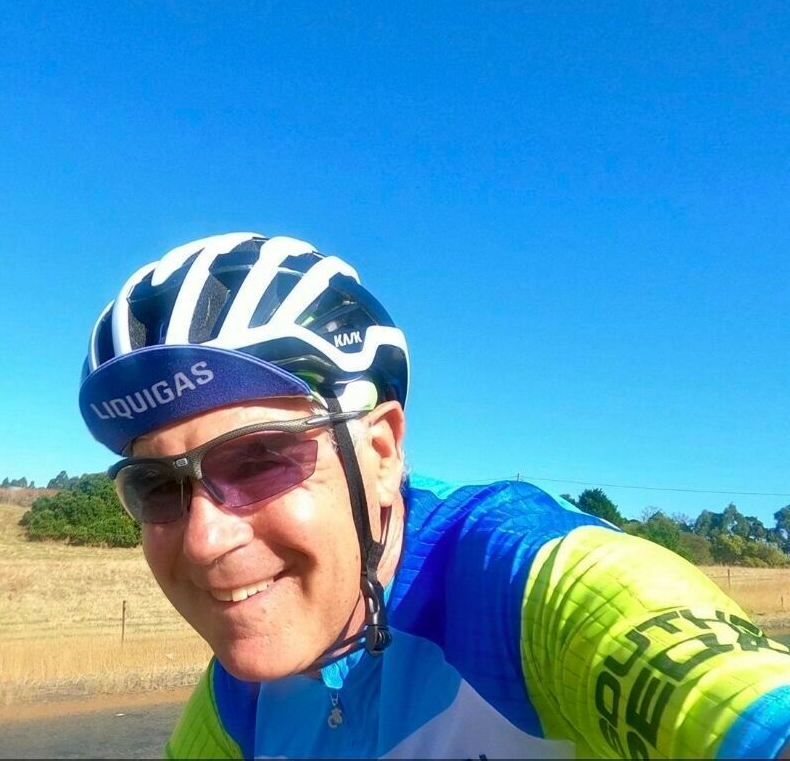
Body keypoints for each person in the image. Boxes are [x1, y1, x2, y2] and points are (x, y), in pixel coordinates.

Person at [77, 232, 790, 759]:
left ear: (381, 453)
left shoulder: (517, 587)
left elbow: (741, 705)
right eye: (157, 487)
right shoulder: (237, 698)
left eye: (259, 458)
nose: (204, 539)